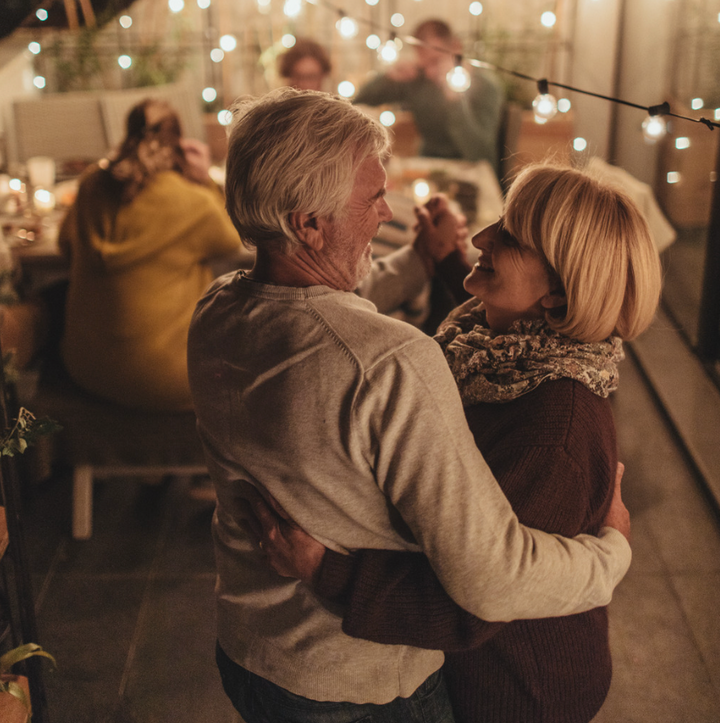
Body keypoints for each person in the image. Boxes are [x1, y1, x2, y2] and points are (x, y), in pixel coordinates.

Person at [186, 88, 632, 723]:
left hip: (250, 651)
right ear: (309, 222)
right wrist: (611, 553)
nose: (386, 209)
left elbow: (320, 308)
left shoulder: (217, 308)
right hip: (355, 680)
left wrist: (423, 263)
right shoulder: (392, 363)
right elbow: (495, 580)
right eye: (373, 198)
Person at [58, 98, 250, 412]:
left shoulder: (91, 183)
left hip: (86, 368)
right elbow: (234, 239)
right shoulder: (193, 202)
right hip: (166, 378)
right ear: (178, 141)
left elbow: (64, 248)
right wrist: (206, 180)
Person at [354, 19, 505, 170]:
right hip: (428, 168)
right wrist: (389, 78)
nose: (430, 72)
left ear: (456, 48)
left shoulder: (486, 87)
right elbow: (358, 103)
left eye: (436, 61)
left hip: (471, 171)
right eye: (424, 64)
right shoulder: (420, 82)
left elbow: (481, 155)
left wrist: (455, 100)